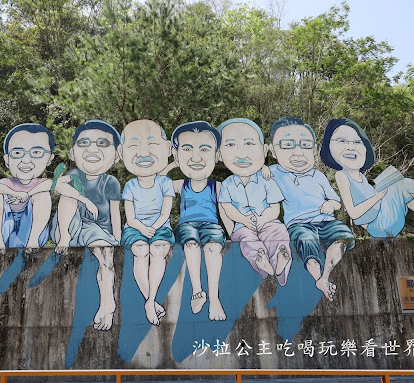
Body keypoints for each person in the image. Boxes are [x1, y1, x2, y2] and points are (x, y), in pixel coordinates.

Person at [320, 118, 414, 238]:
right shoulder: (342, 175)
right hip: (378, 226)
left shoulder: (361, 177)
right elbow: (353, 213)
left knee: (406, 184)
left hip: (383, 216)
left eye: (357, 142)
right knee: (399, 183)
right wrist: (378, 197)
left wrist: (378, 194)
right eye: (342, 141)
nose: (350, 147)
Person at [269, 117, 354, 301]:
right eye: (287, 145)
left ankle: (324, 278)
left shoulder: (318, 176)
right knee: (307, 244)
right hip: (299, 224)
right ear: (273, 151)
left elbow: (336, 201)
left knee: (343, 236)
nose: (298, 153)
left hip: (326, 220)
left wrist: (331, 204)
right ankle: (317, 278)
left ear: (314, 150)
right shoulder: (274, 172)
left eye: (305, 145)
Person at [51, 120, 122, 331]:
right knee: (69, 195)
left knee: (105, 259)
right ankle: (65, 238)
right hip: (69, 227)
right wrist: (85, 200)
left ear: (117, 155)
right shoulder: (73, 175)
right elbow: (58, 186)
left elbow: (115, 214)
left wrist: (117, 239)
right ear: (73, 153)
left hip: (96, 231)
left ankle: (107, 304)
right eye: (84, 143)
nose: (92, 149)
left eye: (102, 143)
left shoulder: (111, 182)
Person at [161, 121, 229, 321]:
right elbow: (159, 181)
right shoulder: (182, 184)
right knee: (191, 245)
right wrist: (174, 163)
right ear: (178, 155)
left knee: (213, 248)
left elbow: (226, 209)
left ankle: (214, 298)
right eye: (187, 150)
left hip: (211, 225)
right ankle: (197, 291)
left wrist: (232, 231)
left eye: (204, 149)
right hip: (187, 225)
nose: (196, 157)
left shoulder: (217, 186)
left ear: (216, 155)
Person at [217, 118, 292, 285]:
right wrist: (244, 220)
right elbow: (228, 208)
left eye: (249, 144)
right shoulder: (227, 184)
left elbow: (275, 208)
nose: (241, 154)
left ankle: (281, 261)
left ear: (264, 150)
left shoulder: (266, 179)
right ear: (219, 154)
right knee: (247, 240)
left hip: (267, 222)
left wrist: (263, 219)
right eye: (230, 145)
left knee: (279, 231)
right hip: (242, 226)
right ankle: (261, 261)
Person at [119, 119, 175, 326]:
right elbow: (130, 217)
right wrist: (143, 228)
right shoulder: (130, 185)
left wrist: (154, 228)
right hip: (135, 228)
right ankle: (151, 301)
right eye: (133, 145)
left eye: (152, 144)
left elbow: (165, 212)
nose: (143, 153)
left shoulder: (165, 182)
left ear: (167, 149)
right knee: (140, 250)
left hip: (161, 226)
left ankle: (150, 302)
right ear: (121, 152)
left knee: (158, 250)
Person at [0, 123, 55, 253]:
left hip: (31, 231)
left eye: (36, 152)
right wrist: (15, 193)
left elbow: (51, 184)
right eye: (17, 153)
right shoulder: (7, 182)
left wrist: (27, 194)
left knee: (42, 194)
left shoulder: (42, 183)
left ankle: (33, 242)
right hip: (7, 230)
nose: (26, 160)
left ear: (49, 159)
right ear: (7, 159)